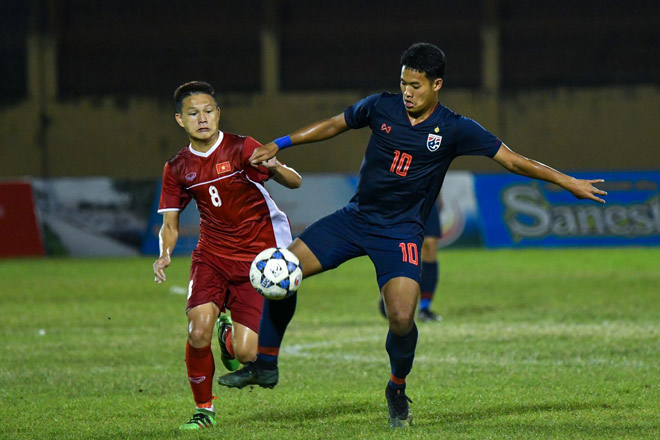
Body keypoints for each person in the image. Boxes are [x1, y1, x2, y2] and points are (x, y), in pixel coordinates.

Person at [217, 43, 607, 428]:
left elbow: (513, 160)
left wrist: (567, 181)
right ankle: (265, 364)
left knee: (402, 317)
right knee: (283, 272)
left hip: (401, 232)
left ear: (437, 84)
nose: (407, 91)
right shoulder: (380, 106)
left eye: (416, 85)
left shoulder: (455, 128)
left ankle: (397, 387)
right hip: (355, 218)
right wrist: (281, 143)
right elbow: (336, 124)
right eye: (403, 82)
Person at [152, 81, 302, 430]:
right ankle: (204, 410)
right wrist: (164, 254)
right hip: (213, 257)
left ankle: (227, 337)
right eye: (193, 113)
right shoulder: (177, 167)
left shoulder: (241, 147)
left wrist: (276, 166)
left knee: (248, 355)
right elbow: (170, 224)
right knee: (196, 331)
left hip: (258, 260)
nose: (201, 118)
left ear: (218, 113)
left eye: (208, 111)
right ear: (180, 120)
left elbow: (294, 182)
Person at [379, 201, 443, 322]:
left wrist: (438, 194)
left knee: (430, 244)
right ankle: (394, 288)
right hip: (399, 194)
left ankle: (424, 308)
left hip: (425, 195)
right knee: (402, 244)